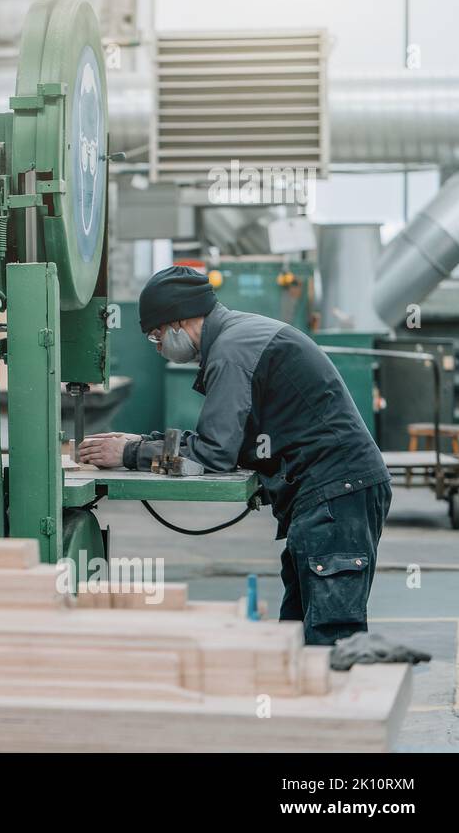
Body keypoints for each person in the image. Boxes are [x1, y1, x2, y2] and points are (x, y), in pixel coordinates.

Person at [78, 266, 390, 645]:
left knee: (331, 638)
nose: (158, 347)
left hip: (336, 496)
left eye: (157, 336)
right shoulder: (238, 337)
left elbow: (213, 454)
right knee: (299, 635)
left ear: (179, 322)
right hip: (329, 494)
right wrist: (142, 442)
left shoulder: (231, 351)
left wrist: (130, 453)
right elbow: (223, 441)